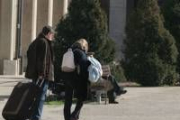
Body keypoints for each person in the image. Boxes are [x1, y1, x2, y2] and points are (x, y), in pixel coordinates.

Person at [26, 25, 55, 120]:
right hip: (42, 75)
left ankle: (33, 116)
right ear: (48, 33)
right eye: (52, 34)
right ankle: (36, 117)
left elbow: (29, 54)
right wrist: (42, 74)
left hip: (36, 74)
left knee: (36, 96)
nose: (53, 36)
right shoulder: (44, 42)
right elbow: (42, 60)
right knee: (40, 97)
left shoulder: (35, 41)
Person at [63, 38, 91, 120]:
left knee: (68, 100)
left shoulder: (70, 51)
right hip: (76, 77)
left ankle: (68, 118)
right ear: (84, 46)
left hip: (66, 77)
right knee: (82, 97)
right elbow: (84, 65)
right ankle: (74, 115)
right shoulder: (80, 52)